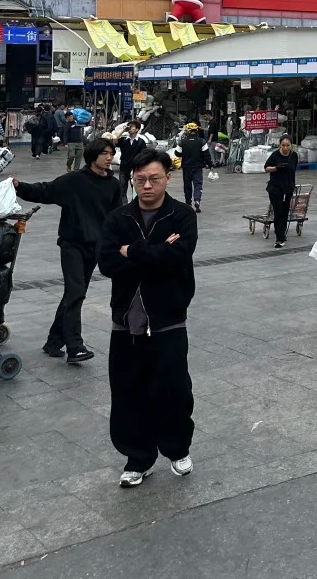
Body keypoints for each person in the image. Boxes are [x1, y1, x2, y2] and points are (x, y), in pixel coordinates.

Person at [97, 148, 198, 488]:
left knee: (174, 389)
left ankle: (177, 448)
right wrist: (155, 252)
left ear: (168, 178)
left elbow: (177, 257)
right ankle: (138, 457)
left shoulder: (182, 216)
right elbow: (107, 263)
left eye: (154, 179)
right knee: (127, 392)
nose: (147, 186)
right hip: (125, 321)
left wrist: (133, 250)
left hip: (168, 319)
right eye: (140, 180)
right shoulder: (118, 219)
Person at [14, 137, 121, 365]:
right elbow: (45, 191)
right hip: (72, 244)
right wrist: (18, 186)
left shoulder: (114, 184)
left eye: (111, 153)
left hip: (95, 247)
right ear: (93, 156)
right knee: (76, 293)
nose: (109, 157)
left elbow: (117, 216)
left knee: (73, 294)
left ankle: (54, 341)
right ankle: (75, 346)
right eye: (105, 153)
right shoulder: (74, 180)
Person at [264, 134, 298, 248]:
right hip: (275, 189)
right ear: (280, 145)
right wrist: (276, 168)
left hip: (288, 189)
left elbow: (294, 169)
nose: (285, 148)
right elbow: (266, 168)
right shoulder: (275, 155)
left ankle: (282, 233)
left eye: (288, 145)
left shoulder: (294, 156)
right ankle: (279, 238)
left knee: (285, 211)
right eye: (283, 145)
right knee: (278, 212)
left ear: (291, 146)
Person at [177, 122, 212, 212]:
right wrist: (210, 165)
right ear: (196, 131)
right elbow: (206, 154)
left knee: (187, 185)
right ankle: (197, 200)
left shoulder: (182, 141)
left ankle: (188, 203)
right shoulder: (202, 141)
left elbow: (177, 153)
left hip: (186, 167)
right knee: (198, 185)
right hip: (198, 167)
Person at [117, 120, 149, 199]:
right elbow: (114, 140)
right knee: (122, 191)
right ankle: (124, 208)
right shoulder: (124, 140)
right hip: (124, 168)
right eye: (129, 126)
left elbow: (144, 155)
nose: (130, 128)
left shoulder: (140, 142)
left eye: (132, 127)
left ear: (137, 129)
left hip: (135, 169)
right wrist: (123, 130)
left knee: (136, 191)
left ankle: (134, 208)